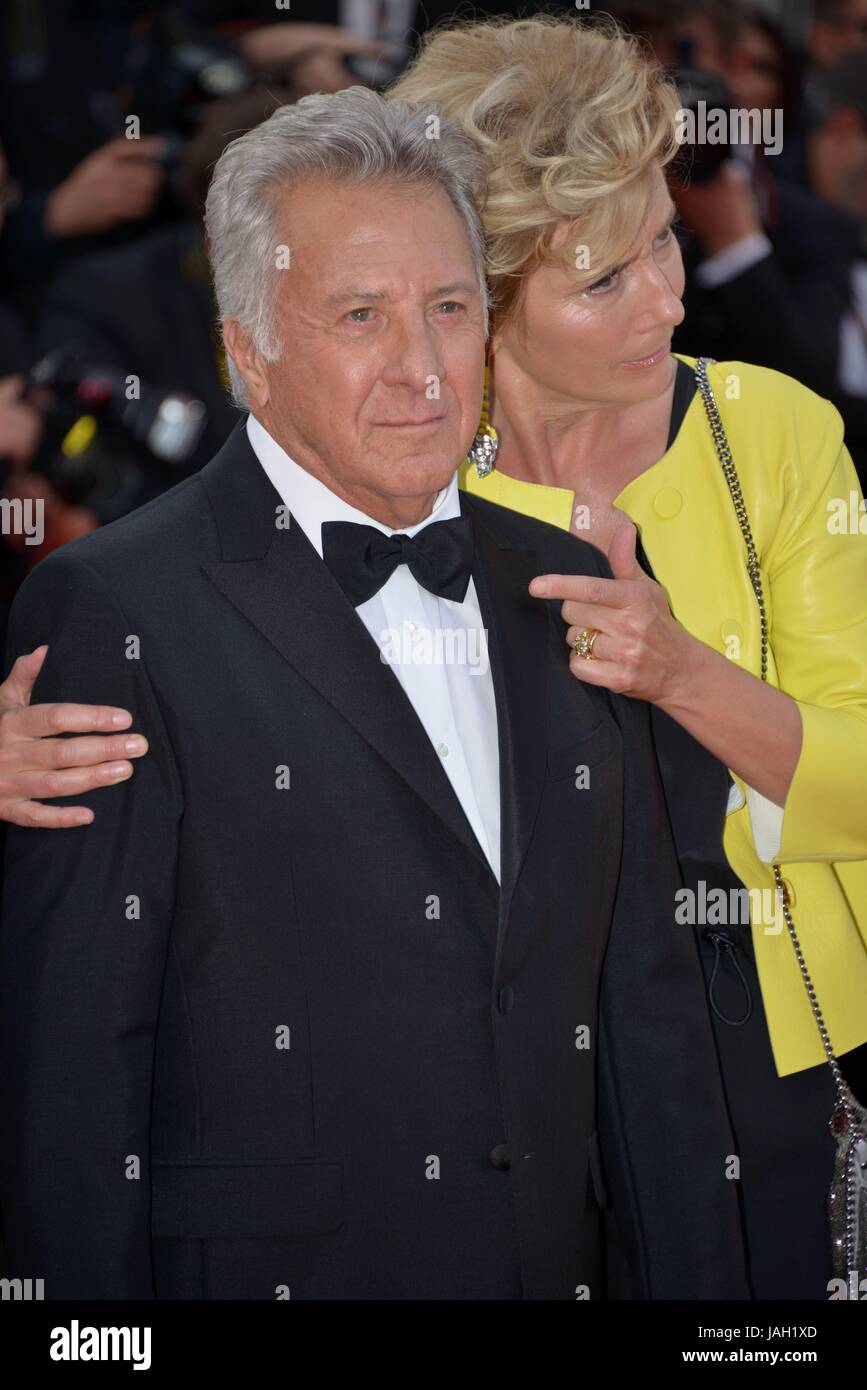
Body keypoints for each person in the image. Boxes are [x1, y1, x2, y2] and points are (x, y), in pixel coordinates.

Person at [0, 85, 748, 1301]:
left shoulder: (576, 584)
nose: (422, 368)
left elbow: (649, 1026)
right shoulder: (116, 612)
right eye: (360, 315)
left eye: (448, 308)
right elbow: (73, 1077)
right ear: (248, 351)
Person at [388, 14, 867, 1299]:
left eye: (664, 237)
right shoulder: (397, 485)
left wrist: (683, 670)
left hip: (772, 1050)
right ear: (477, 297)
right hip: (495, 1077)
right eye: (605, 279)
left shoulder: (773, 433)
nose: (669, 295)